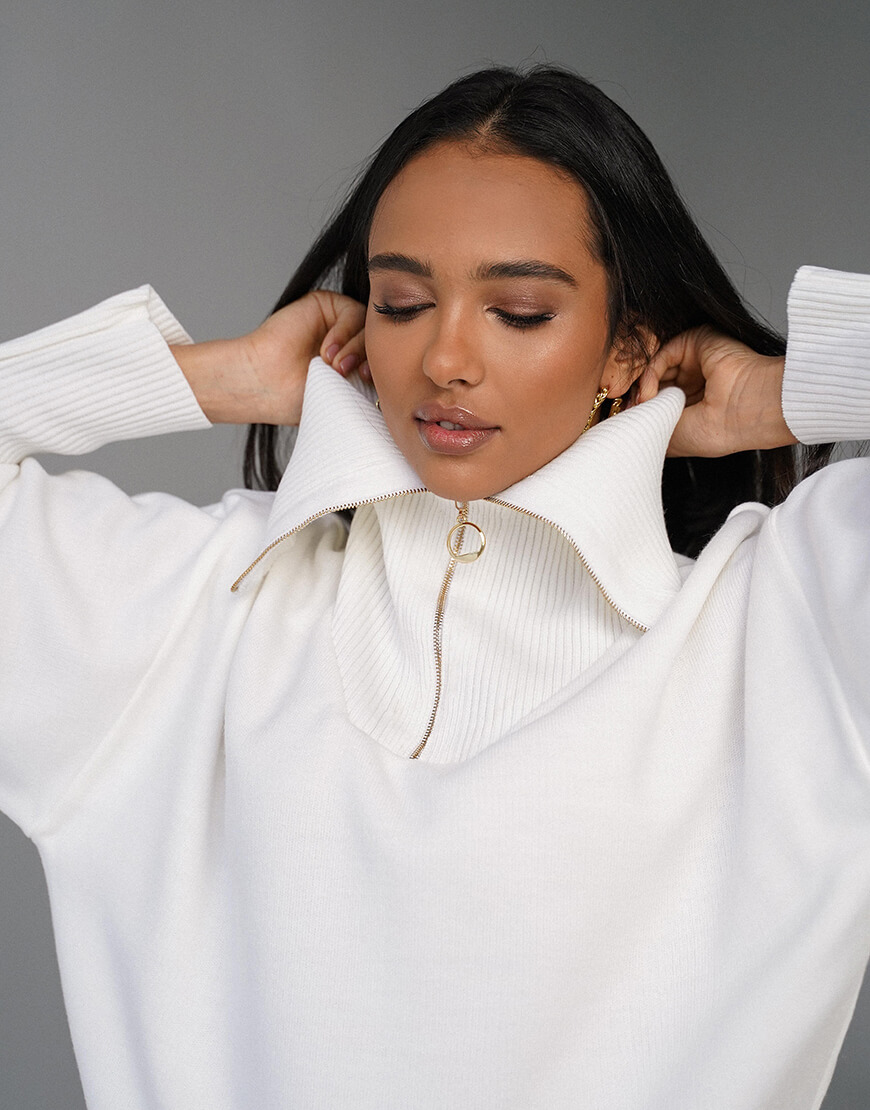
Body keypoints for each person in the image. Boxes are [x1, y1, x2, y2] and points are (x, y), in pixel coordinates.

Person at [1, 64, 868, 1110]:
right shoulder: (193, 613)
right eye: (403, 303)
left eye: (519, 311)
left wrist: (789, 392)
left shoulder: (790, 636)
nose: (445, 357)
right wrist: (217, 377)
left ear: (627, 347)